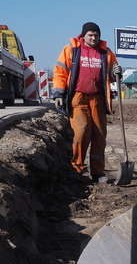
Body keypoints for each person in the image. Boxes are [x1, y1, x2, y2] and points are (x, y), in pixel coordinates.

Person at [52, 22, 122, 183]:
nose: (93, 37)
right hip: (78, 97)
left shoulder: (105, 53)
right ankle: (77, 168)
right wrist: (58, 93)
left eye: (96, 35)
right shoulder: (72, 50)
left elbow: (113, 73)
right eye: (90, 35)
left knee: (99, 135)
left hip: (98, 99)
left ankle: (97, 172)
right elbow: (60, 72)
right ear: (83, 35)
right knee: (82, 131)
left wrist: (117, 72)